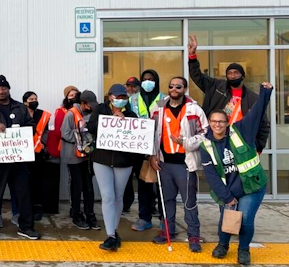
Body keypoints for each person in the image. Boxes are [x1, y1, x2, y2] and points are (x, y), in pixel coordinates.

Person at [201, 82, 272, 266]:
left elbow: (256, 114)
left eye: (221, 121)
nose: (217, 124)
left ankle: (243, 249)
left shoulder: (240, 131)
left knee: (246, 219)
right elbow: (211, 175)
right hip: (228, 190)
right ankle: (223, 245)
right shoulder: (206, 145)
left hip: (252, 186)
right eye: (214, 121)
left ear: (227, 122)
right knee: (227, 218)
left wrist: (265, 92)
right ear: (209, 123)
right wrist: (227, 197)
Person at [0, 75, 39, 241]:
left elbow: (32, 126)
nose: (0, 91)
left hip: (18, 160)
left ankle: (26, 227)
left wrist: (22, 131)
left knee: (23, 193)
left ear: (8, 89)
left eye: (3, 88)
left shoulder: (20, 107)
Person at [148, 77, 207, 252]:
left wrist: (186, 142)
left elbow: (205, 132)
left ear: (185, 89)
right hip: (164, 164)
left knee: (189, 201)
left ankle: (193, 235)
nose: (174, 89)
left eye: (178, 86)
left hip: (185, 164)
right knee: (166, 201)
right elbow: (150, 134)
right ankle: (167, 231)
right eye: (171, 86)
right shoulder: (157, 108)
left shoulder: (194, 109)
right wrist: (151, 155)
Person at [188, 35, 269, 153]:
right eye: (229, 73)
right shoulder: (216, 87)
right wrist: (192, 56)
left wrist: (259, 147)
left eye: (236, 73)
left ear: (243, 76)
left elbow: (263, 124)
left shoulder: (253, 98)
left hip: (241, 141)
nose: (233, 75)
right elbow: (197, 76)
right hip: (216, 138)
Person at [87, 84, 139, 251]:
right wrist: (110, 121)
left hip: (123, 161)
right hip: (102, 159)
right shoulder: (100, 109)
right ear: (110, 96)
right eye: (117, 97)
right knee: (107, 196)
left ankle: (114, 232)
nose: (120, 100)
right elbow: (91, 127)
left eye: (124, 97)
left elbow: (138, 134)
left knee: (118, 197)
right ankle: (110, 235)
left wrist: (125, 121)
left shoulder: (131, 114)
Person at [125, 70, 162, 230]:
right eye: (145, 79)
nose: (148, 82)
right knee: (143, 184)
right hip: (139, 149)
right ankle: (144, 218)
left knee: (162, 186)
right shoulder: (132, 99)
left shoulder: (164, 99)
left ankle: (165, 220)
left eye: (151, 79)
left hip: (160, 147)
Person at [61, 90, 100, 231]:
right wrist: (82, 139)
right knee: (77, 185)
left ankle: (90, 214)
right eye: (89, 105)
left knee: (88, 186)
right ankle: (76, 214)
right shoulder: (71, 114)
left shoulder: (91, 113)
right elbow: (65, 133)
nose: (91, 107)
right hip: (73, 156)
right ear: (82, 103)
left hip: (87, 156)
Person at [23, 91, 53, 219]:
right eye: (31, 99)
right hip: (23, 153)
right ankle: (26, 207)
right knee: (25, 182)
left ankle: (38, 207)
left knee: (37, 181)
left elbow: (46, 132)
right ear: (25, 102)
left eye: (35, 98)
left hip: (38, 153)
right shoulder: (20, 113)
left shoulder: (43, 114)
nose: (34, 100)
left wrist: (46, 147)